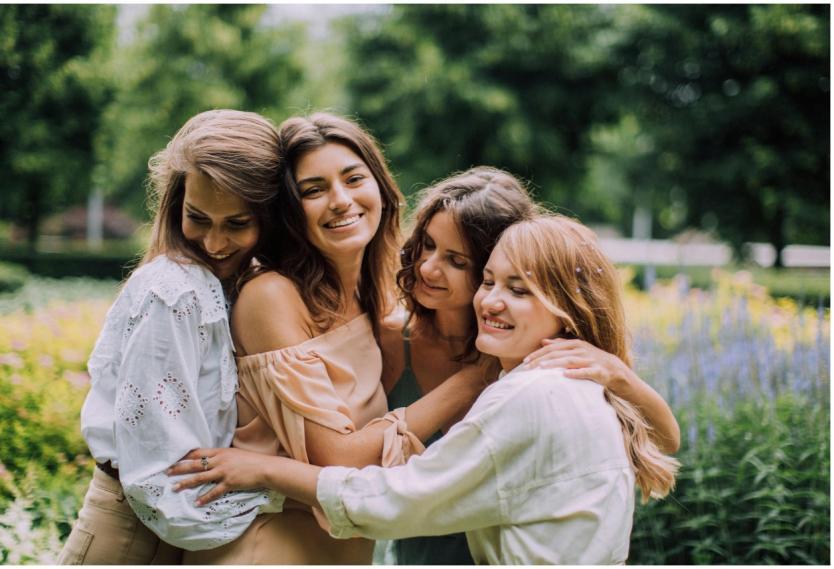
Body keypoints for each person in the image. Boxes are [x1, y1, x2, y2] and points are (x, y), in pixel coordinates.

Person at [171, 213, 681, 564]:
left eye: (519, 290)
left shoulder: (533, 395)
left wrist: (262, 468)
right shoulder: (577, 381)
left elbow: (394, 499)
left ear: (567, 309)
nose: (491, 301)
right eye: (490, 281)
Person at [180, 114, 493, 565]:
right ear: (290, 210)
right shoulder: (272, 295)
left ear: (380, 186)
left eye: (353, 179)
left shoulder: (373, 298)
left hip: (343, 549)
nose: (341, 201)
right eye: (314, 190)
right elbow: (338, 460)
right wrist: (476, 377)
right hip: (271, 545)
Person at [377, 167, 680, 564]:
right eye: (427, 245)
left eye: (456, 260)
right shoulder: (390, 341)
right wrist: (473, 379)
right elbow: (362, 473)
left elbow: (664, 440)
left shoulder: (539, 359)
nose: (427, 268)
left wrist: (618, 373)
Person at [57, 109, 285, 565]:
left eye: (237, 223)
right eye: (197, 218)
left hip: (176, 527)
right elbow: (160, 475)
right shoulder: (173, 291)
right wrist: (289, 488)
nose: (214, 243)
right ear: (175, 202)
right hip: (130, 530)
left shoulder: (242, 285)